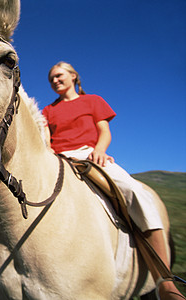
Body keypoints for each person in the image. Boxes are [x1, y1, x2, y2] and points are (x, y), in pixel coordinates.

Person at [42, 61, 184, 300]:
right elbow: (46, 141)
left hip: (91, 155)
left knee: (134, 192)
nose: (55, 81)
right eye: (51, 79)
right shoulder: (47, 110)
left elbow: (104, 131)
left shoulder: (93, 101)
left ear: (73, 76)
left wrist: (99, 149)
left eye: (59, 76)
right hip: (60, 160)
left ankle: (165, 281)